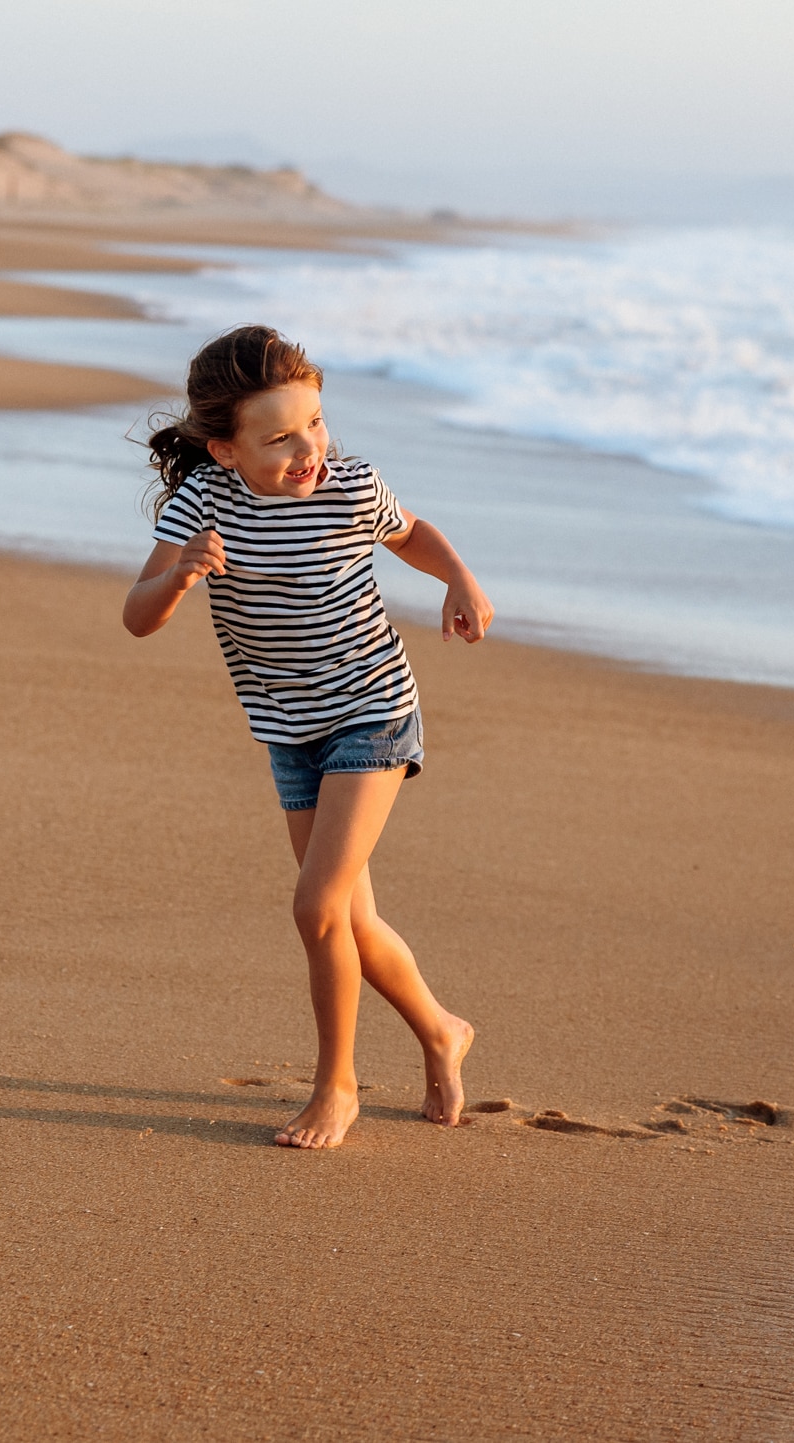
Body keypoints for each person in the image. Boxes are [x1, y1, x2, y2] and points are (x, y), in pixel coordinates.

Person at [123, 324, 490, 1150]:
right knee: (348, 921)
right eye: (281, 436)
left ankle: (339, 1085)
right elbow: (136, 616)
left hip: (373, 708)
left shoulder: (350, 485)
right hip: (290, 731)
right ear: (225, 450)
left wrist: (459, 577)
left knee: (315, 905)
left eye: (315, 423)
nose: (308, 448)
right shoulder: (204, 505)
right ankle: (441, 1027)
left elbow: (411, 534)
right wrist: (180, 573)